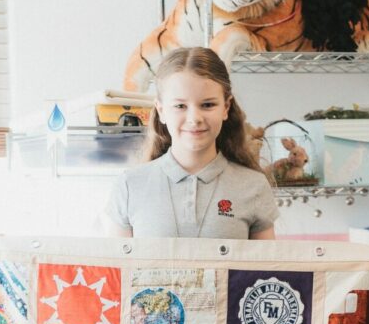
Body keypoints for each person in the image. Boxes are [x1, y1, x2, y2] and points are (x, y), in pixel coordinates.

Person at [103, 47, 277, 239]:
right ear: (161, 110)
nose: (194, 118)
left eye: (208, 105)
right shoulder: (129, 185)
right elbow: (117, 268)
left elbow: (264, 268)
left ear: (226, 107)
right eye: (180, 106)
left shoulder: (254, 186)